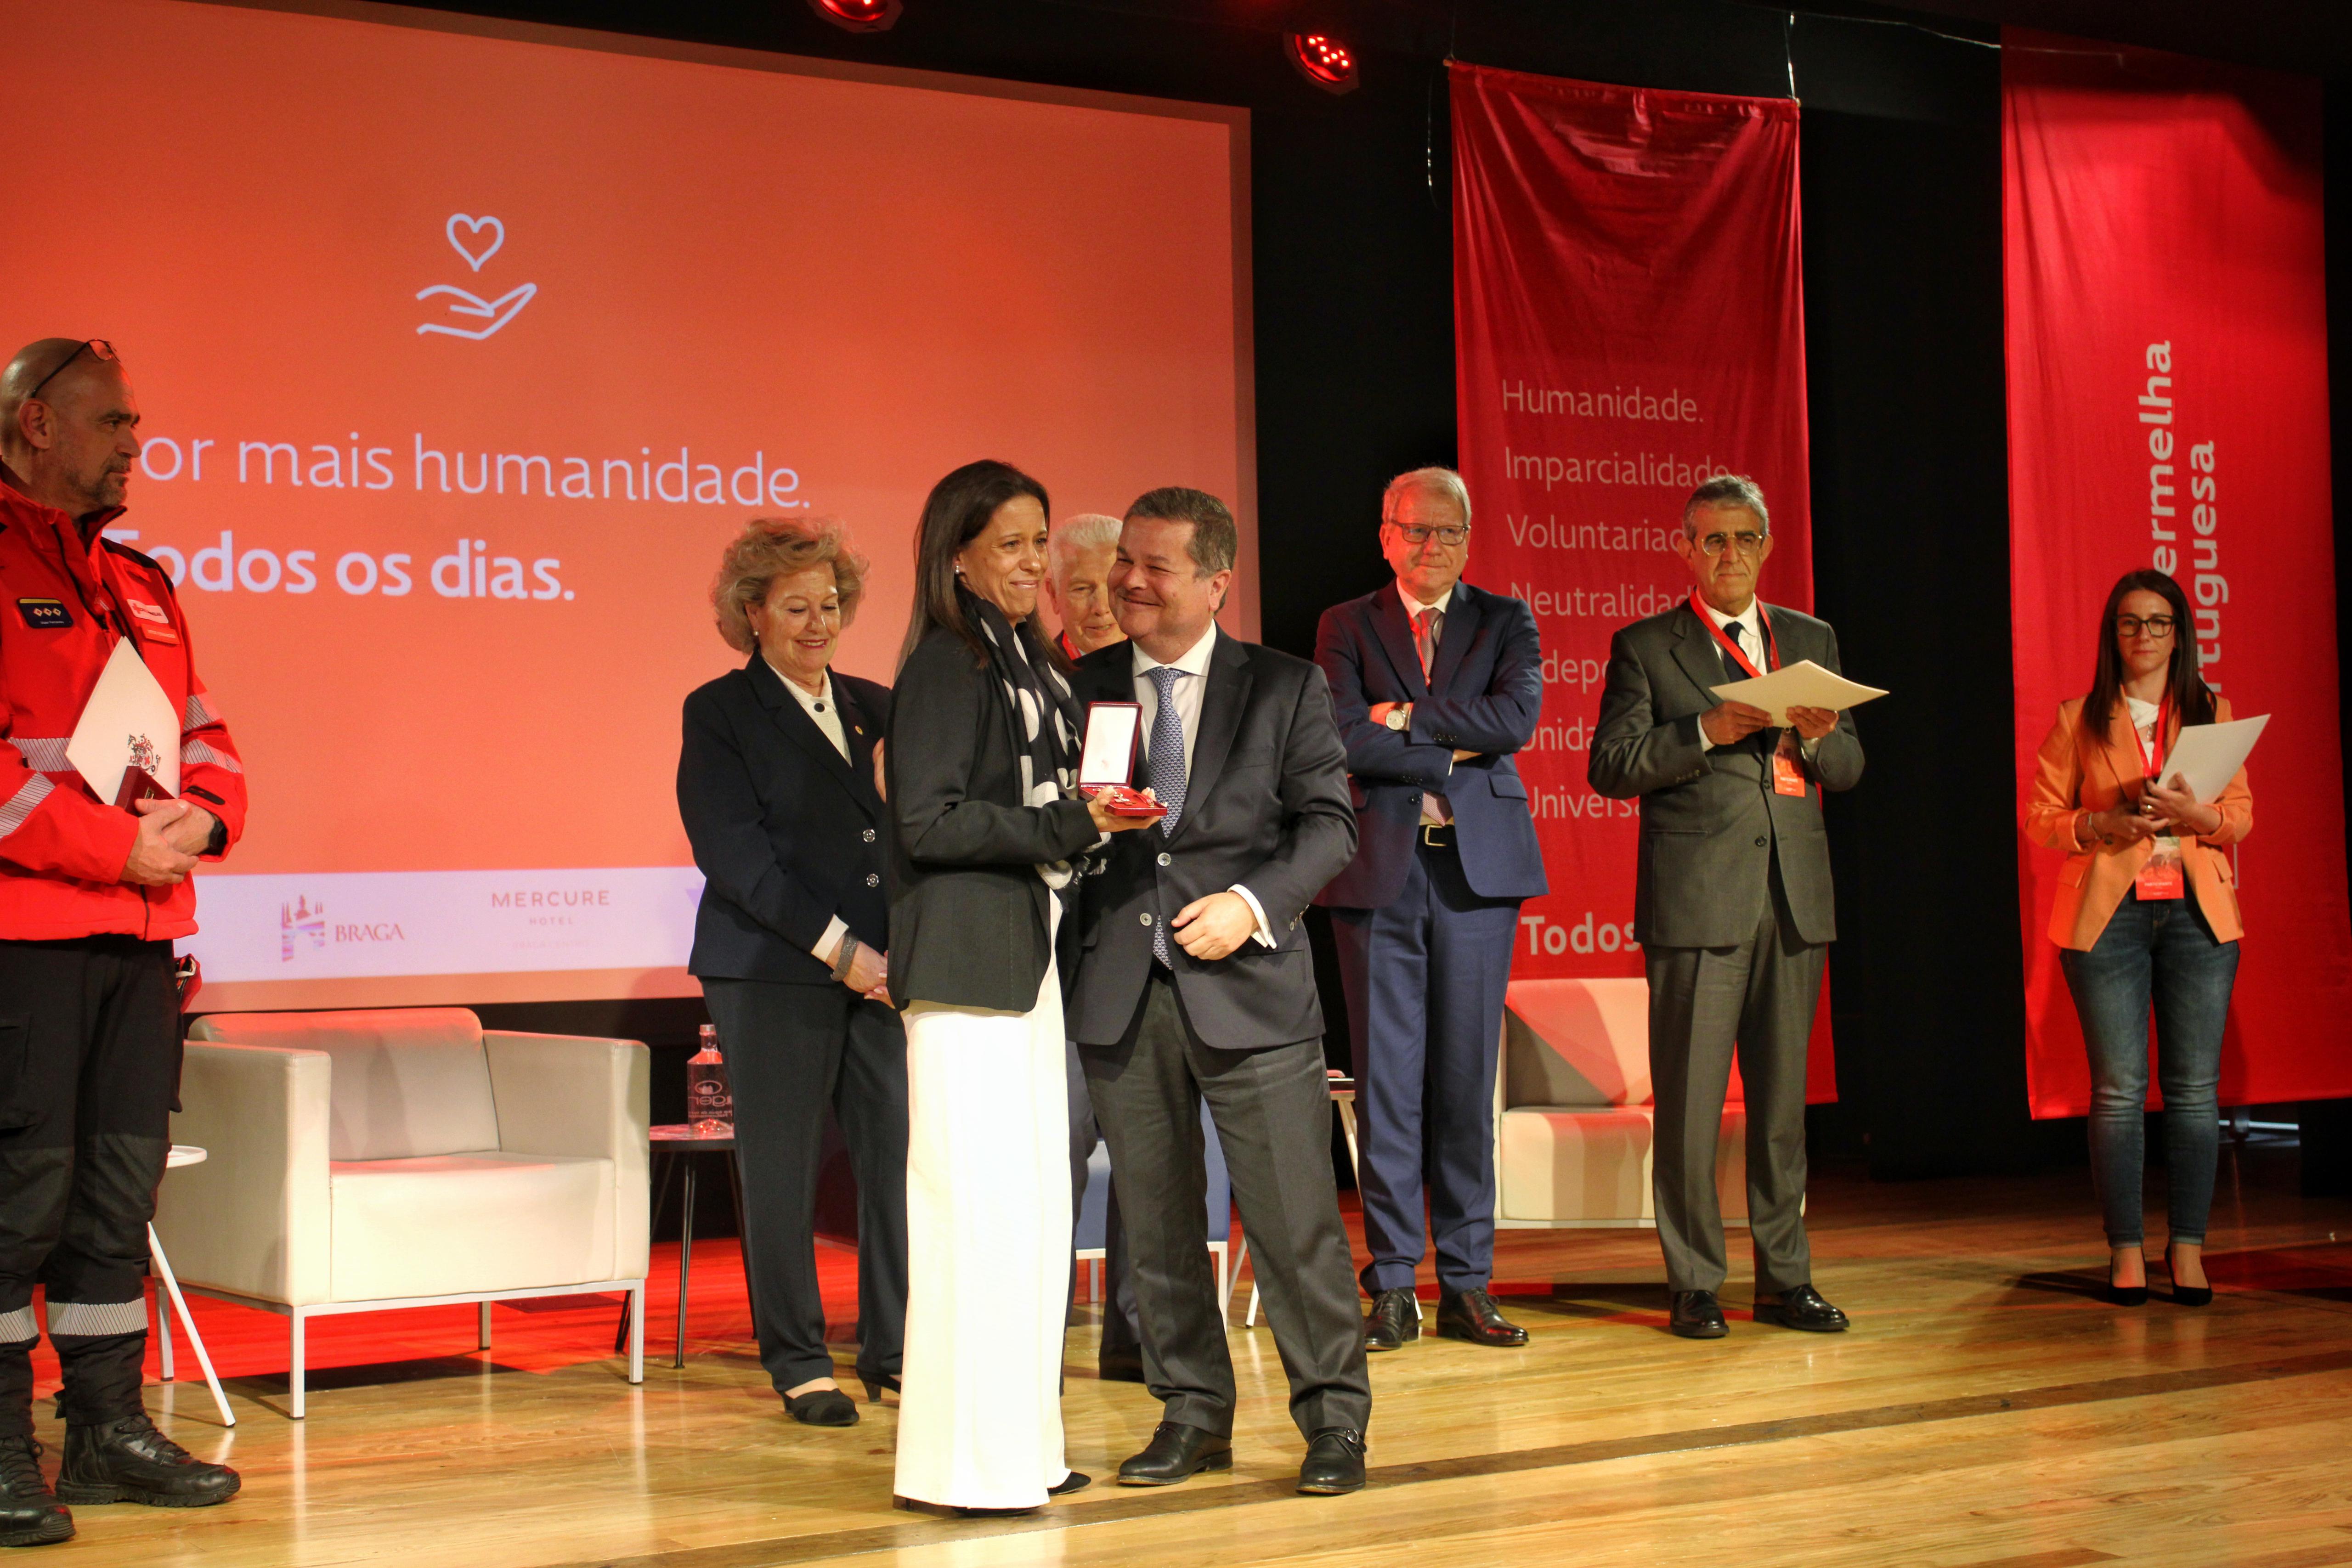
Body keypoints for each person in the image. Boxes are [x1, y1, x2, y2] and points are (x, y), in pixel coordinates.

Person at [1069, 486, 1372, 1497]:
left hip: (1251, 989)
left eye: (1155, 566)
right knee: (1156, 1227)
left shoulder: (1283, 685)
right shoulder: (1085, 687)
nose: (1128, 582)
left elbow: (1329, 824)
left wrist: (1251, 903)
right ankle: (1193, 1412)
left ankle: (1334, 1421)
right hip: (1122, 992)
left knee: (1293, 1224)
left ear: (1215, 583)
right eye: (1125, 561)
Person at [0, 338, 244, 1540]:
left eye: (137, 421)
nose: (135, 442)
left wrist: (208, 815)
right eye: (113, 422)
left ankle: (105, 1429)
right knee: (16, 1198)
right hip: (25, 943)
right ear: (37, 424)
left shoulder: (140, 579)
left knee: (114, 1193)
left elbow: (205, 733)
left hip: (143, 942)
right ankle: (3, 1447)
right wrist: (112, 849)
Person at [884, 460, 1155, 1514]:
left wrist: (1102, 813)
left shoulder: (1029, 659)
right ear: (956, 554)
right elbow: (928, 821)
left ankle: (1022, 1449)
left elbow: (1055, 799)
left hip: (1028, 963)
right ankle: (963, 1465)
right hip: (967, 975)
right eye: (1011, 543)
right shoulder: (946, 664)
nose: (1033, 562)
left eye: (1039, 541)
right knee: (976, 1214)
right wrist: (1070, 823)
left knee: (1033, 1211)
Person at [1588, 474, 1862, 1341]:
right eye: (1713, 539)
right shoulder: (1647, 646)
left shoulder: (1809, 638)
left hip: (1794, 901)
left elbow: (1850, 769)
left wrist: (1820, 735)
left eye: (1745, 538)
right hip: (1698, 903)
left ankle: (1786, 1278)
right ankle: (1696, 1282)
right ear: (1687, 550)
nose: (1731, 554)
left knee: (1782, 1112)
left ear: (1766, 546)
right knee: (1691, 1108)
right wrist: (1709, 730)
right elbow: (1611, 765)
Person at [677, 515, 907, 1426]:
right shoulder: (720, 711)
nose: (820, 624)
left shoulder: (878, 705)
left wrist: (894, 950)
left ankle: (894, 1348)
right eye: (798, 606)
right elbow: (738, 859)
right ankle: (801, 1360)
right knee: (780, 1168)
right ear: (753, 613)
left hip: (885, 972)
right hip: (773, 968)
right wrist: (842, 951)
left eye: (832, 605)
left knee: (895, 1161)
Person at [1315, 466, 1545, 1354]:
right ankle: (1391, 1284)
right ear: (1386, 535)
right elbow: (1342, 732)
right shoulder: (1346, 623)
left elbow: (1514, 720)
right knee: (1386, 1086)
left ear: (1468, 539)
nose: (1433, 545)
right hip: (1381, 872)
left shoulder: (1505, 618)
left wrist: (1406, 718)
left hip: (1477, 876)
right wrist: (1450, 747)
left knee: (1464, 1081)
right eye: (1417, 529)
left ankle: (1467, 1282)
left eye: (1449, 531)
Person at [2022, 570, 2250, 1308]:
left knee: (2194, 1091)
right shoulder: (2080, 717)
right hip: (2109, 913)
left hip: (2197, 912)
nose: (2143, 634)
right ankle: (2125, 1248)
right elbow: (2041, 816)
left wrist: (2195, 814)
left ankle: (2188, 1246)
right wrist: (2102, 823)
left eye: (2158, 622)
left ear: (2179, 634)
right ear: (2112, 634)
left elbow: (2241, 816)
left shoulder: (2212, 712)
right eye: (2129, 622)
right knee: (2119, 1090)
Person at [1043, 511, 1148, 1380]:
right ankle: (1037, 1333)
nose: (1100, 602)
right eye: (1079, 587)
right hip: (1051, 953)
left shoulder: (1160, 680)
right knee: (1058, 1149)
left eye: (1110, 583)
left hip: (1142, 941)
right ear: (1054, 596)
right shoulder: (1033, 682)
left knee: (1149, 1154)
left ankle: (1138, 1337)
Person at [1045, 513, 1125, 662]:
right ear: (1054, 595)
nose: (1101, 609)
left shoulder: (1165, 663)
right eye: (1082, 589)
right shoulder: (1033, 675)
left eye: (1115, 586)